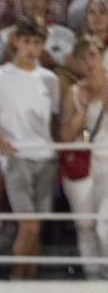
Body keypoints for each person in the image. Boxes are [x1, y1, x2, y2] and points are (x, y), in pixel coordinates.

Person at [0, 20, 59, 279]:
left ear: (43, 44)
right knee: (28, 224)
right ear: (16, 41)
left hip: (46, 156)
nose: (32, 47)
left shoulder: (50, 78)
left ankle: (27, 279)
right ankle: (15, 278)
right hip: (14, 155)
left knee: (37, 226)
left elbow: (52, 122)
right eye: (27, 41)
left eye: (37, 42)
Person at [59, 34, 108, 279]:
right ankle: (92, 277)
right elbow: (66, 135)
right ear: (76, 62)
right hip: (82, 163)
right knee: (85, 226)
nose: (89, 62)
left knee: (105, 223)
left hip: (106, 161)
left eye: (93, 55)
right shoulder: (74, 92)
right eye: (82, 57)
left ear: (102, 56)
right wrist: (82, 111)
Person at [0, 0, 75, 70]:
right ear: (22, 2)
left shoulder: (66, 35)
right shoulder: (4, 35)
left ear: (48, 2)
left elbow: (72, 70)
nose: (34, 1)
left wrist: (52, 63)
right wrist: (8, 50)